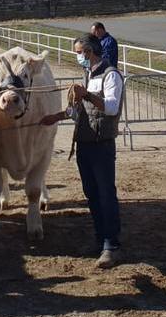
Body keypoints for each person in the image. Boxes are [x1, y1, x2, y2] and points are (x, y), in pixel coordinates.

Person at [40, 35, 125, 269]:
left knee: (106, 194)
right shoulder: (89, 75)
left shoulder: (111, 75)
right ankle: (100, 239)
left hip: (102, 144)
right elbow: (78, 110)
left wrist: (86, 94)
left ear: (89, 52)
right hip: (85, 144)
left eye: (79, 52)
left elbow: (111, 107)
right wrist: (54, 117)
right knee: (92, 194)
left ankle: (111, 245)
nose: (78, 57)